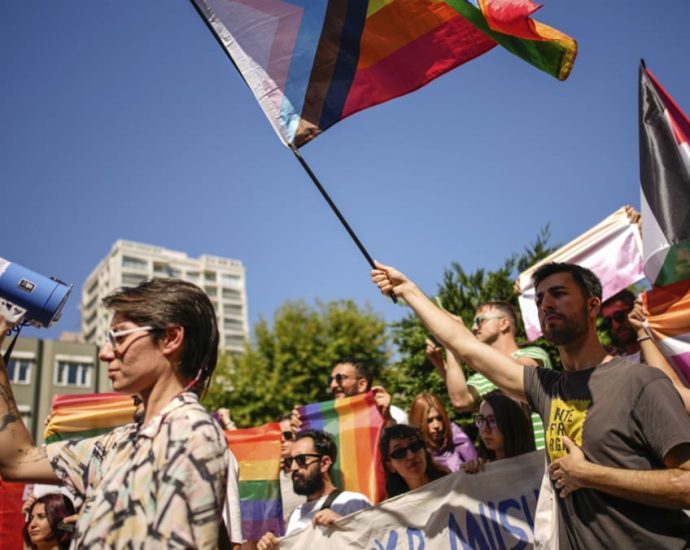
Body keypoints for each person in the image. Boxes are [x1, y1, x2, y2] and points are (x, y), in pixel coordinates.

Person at [372, 260, 690, 547]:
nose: (546, 304)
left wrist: (589, 475)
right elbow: (464, 346)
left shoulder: (642, 382)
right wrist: (409, 290)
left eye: (559, 293)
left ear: (593, 306)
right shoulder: (546, 387)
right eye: (539, 299)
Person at [0, 278, 231, 548]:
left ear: (170, 338)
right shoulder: (116, 444)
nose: (105, 353)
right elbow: (17, 461)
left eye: (119, 337)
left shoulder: (190, 434)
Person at [426, 300, 552, 450]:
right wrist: (450, 341)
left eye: (480, 321)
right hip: (514, 466)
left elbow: (519, 375)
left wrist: (462, 340)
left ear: (504, 323)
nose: (473, 328)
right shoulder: (481, 376)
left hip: (548, 458)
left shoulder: (534, 354)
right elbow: (460, 400)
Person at [256, 429, 371, 550]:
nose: (294, 468)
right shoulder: (294, 516)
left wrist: (343, 523)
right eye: (290, 461)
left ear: (324, 463)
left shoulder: (352, 502)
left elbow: (376, 540)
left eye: (301, 459)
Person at [603, 290, 690, 413]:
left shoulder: (663, 346)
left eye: (619, 317)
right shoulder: (609, 361)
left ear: (634, 311)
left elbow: (673, 392)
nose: (615, 325)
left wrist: (642, 328)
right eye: (608, 322)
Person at [462, 390, 536, 473]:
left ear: (512, 424)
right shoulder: (479, 469)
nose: (485, 429)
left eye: (493, 420)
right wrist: (468, 474)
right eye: (481, 419)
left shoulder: (540, 467)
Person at [407, 393, 477, 472]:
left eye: (439, 418)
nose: (436, 425)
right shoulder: (413, 450)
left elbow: (475, 464)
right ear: (418, 423)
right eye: (429, 421)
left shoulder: (455, 435)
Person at [328, 356, 408, 424]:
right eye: (330, 380)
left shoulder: (395, 414)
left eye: (340, 378)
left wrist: (388, 418)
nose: (332, 385)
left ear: (362, 385)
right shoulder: (329, 421)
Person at [379, 424, 449, 498]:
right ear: (390, 466)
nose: (411, 456)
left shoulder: (453, 484)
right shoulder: (393, 508)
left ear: (424, 450)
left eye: (414, 445)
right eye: (399, 452)